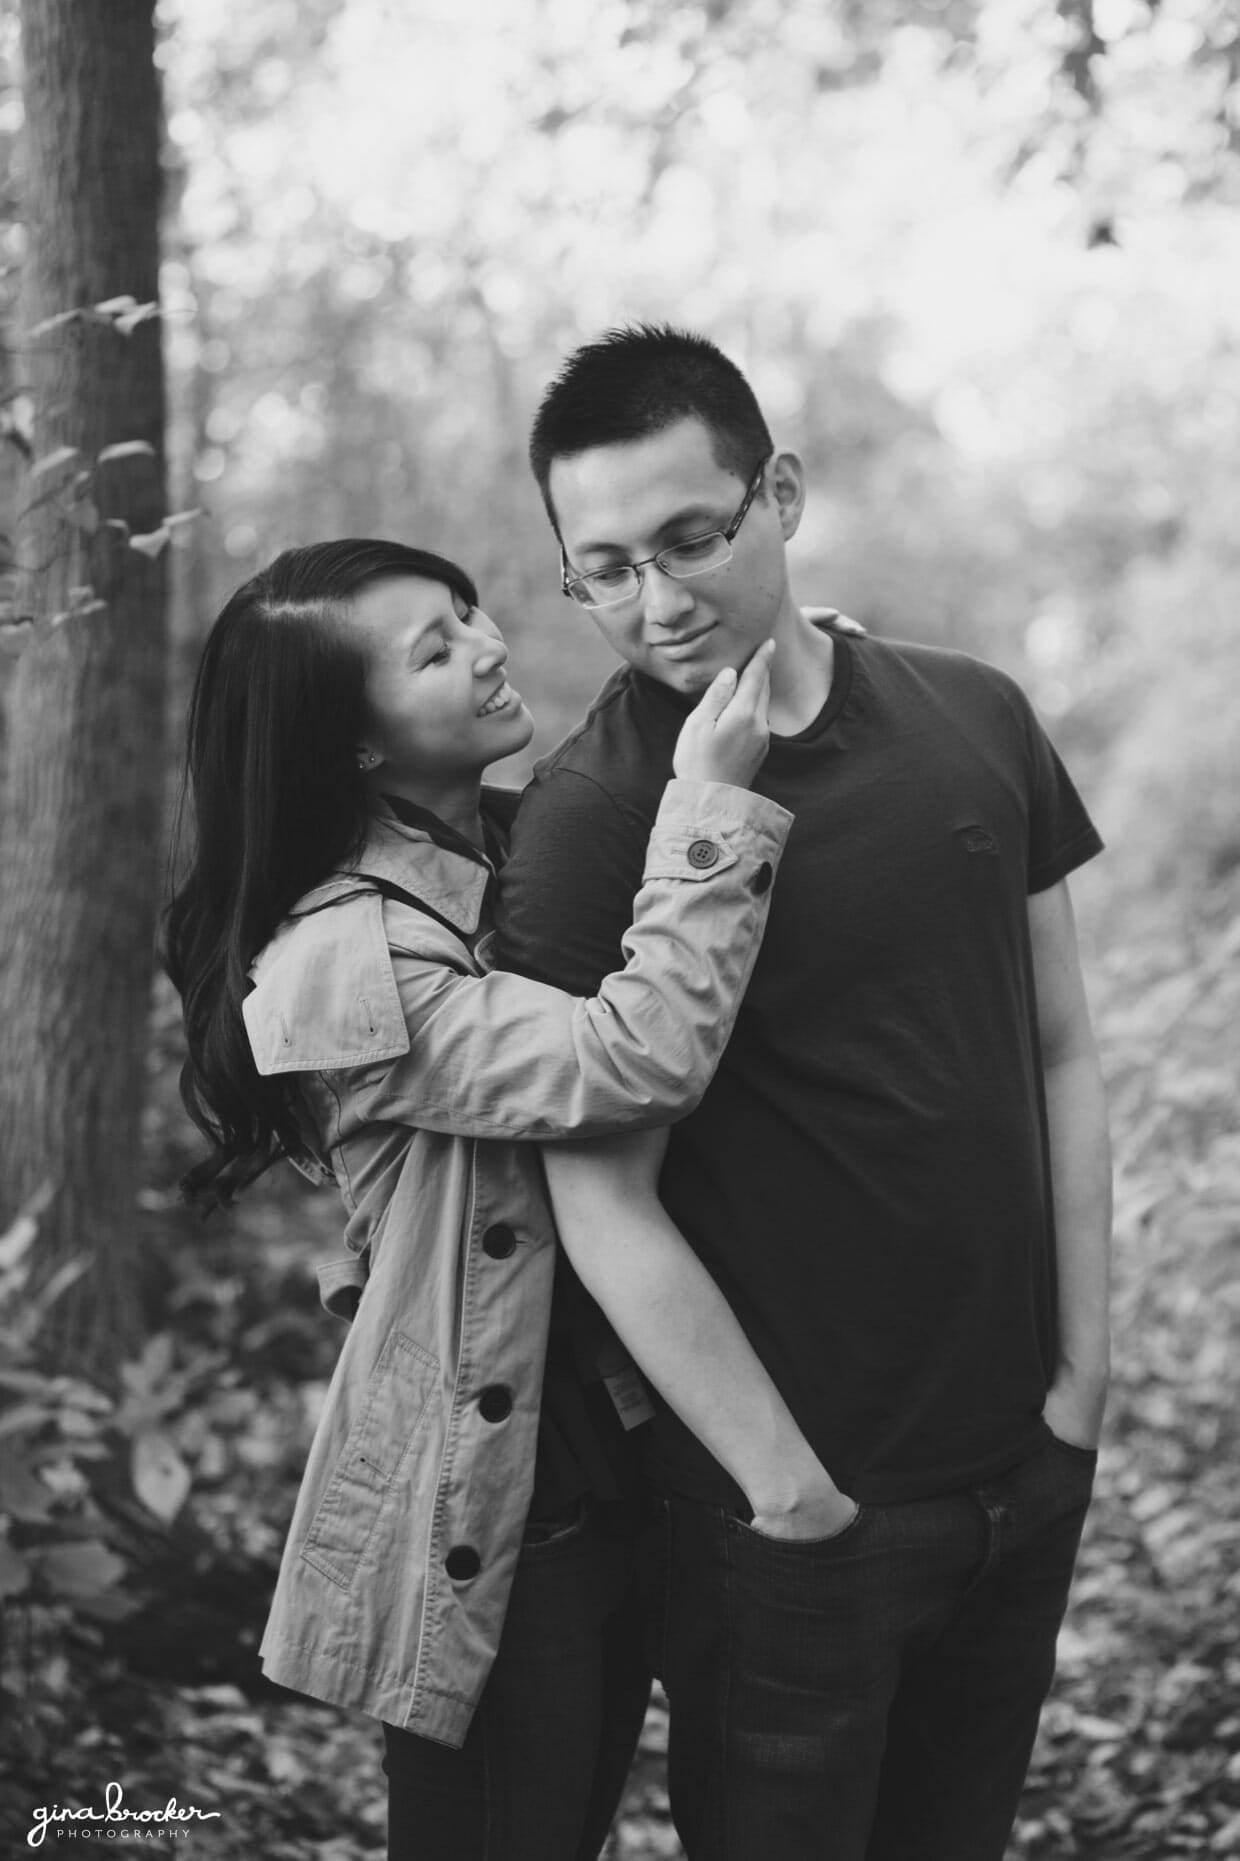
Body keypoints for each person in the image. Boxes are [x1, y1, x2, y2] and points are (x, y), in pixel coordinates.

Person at [493, 325, 1113, 1860]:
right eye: (609, 566)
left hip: (1020, 1469)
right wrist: (791, 1495)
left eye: (693, 537)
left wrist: (1081, 1387)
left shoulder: (977, 718)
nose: (659, 599)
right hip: (783, 1529)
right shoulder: (594, 817)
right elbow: (601, 1194)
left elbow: (1058, 1050)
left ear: (779, 492)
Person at [165, 537, 848, 1861]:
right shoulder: (343, 957)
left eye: (466, 611)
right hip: (492, 1516)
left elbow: (613, 785)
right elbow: (626, 1059)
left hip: (626, 1469)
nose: (486, 643)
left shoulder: (502, 844)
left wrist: (799, 651)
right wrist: (709, 805)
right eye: (432, 648)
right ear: (351, 746)